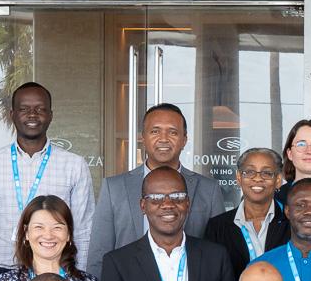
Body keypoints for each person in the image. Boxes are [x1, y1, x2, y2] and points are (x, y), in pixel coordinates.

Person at [0, 82, 97, 281]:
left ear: (51, 115)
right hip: (1, 272)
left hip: (57, 274)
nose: (32, 115)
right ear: (12, 114)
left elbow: (83, 230)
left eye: (40, 109)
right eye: (24, 109)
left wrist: (78, 278)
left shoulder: (74, 164)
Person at [98, 167, 240, 281]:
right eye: (156, 198)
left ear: (187, 204)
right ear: (143, 206)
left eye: (177, 196)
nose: (167, 204)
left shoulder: (216, 257)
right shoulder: (118, 263)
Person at [88, 102, 221, 267]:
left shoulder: (209, 190)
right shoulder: (114, 188)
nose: (163, 139)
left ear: (184, 139)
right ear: (143, 137)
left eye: (172, 132)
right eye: (155, 131)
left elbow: (218, 255)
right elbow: (99, 254)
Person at [204, 147, 290, 272]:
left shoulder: (292, 223)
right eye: (249, 172)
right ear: (239, 178)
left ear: (277, 180)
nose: (257, 178)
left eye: (266, 173)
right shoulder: (217, 227)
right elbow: (212, 275)